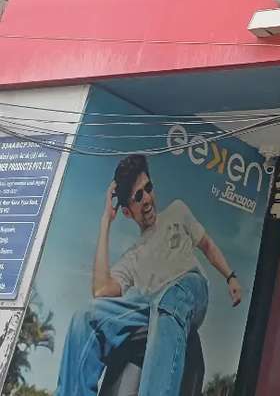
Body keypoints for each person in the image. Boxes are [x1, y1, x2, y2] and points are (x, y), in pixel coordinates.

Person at [55, 155, 243, 396]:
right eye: (137, 197)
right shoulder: (133, 256)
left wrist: (230, 276)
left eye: (148, 188)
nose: (146, 199)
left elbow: (207, 245)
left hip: (189, 288)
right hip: (151, 306)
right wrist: (105, 222)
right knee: (85, 317)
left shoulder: (177, 211)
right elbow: (101, 290)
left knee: (168, 300)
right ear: (126, 212)